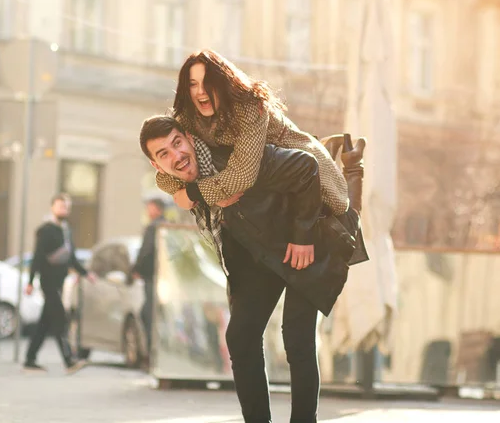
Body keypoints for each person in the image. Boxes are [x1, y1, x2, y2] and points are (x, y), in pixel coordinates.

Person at [139, 115, 360, 423]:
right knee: (241, 337)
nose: (176, 155)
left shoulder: (234, 161)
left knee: (297, 337)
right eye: (163, 154)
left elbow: (306, 166)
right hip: (261, 256)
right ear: (156, 165)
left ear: (190, 137)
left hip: (306, 240)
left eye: (178, 143)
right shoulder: (182, 184)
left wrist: (303, 237)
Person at [155, 49, 349, 216]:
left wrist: (194, 194)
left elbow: (243, 174)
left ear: (223, 82)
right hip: (261, 193)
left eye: (208, 82)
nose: (200, 91)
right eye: (193, 84)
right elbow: (164, 174)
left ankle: (351, 169)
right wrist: (204, 193)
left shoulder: (249, 106)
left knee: (336, 214)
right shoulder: (188, 118)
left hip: (300, 169)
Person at [23, 193, 96, 374]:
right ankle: (69, 361)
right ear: (52, 207)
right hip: (47, 281)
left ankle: (29, 360)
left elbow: (71, 258)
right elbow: (38, 256)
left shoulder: (66, 230)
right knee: (59, 320)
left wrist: (86, 274)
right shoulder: (45, 230)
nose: (64, 210)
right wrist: (31, 281)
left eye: (67, 207)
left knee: (44, 323)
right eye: (61, 206)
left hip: (59, 281)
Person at [130, 197, 165, 360]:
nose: (147, 211)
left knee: (149, 315)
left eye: (150, 208)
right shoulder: (166, 226)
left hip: (152, 277)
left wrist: (136, 269)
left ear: (158, 209)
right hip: (162, 279)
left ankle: (152, 355)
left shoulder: (153, 228)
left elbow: (146, 251)